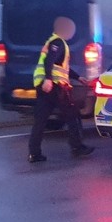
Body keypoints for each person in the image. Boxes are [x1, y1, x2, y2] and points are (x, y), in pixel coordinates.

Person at [29, 16, 93, 163]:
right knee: (72, 115)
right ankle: (77, 147)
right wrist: (49, 79)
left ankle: (34, 154)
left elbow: (61, 66)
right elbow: (49, 61)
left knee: (40, 120)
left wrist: (78, 78)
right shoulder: (58, 43)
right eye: (71, 30)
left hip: (43, 86)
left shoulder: (51, 42)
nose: (72, 33)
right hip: (55, 86)